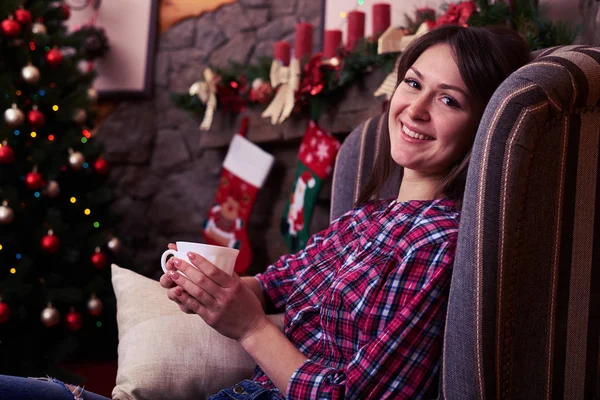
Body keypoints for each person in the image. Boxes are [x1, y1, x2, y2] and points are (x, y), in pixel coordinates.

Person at [0, 24, 530, 399]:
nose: (414, 109)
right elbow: (274, 283)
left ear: (481, 127)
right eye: (413, 83)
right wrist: (211, 287)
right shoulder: (365, 220)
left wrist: (251, 329)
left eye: (448, 100)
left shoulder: (436, 242)